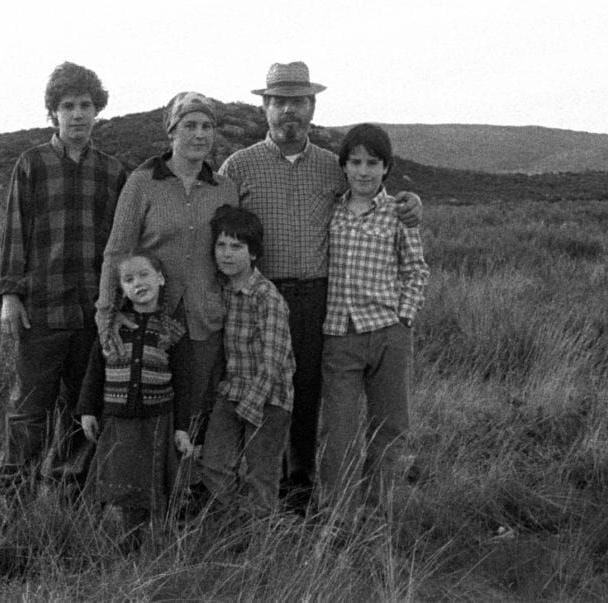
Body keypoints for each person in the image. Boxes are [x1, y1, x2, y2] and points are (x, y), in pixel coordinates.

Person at [218, 61, 422, 513]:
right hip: (260, 299)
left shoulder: (333, 166)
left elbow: (375, 197)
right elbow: (223, 232)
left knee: (308, 392)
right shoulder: (239, 166)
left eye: (300, 101)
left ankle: (302, 486)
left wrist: (412, 203)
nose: (290, 110)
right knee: (259, 388)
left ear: (312, 107)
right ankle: (250, 487)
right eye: (281, 101)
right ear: (266, 107)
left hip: (318, 298)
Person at [0, 62, 128, 489]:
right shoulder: (32, 164)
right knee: (30, 408)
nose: (77, 114)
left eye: (86, 105)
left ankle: (69, 493)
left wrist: (116, 305)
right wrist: (10, 295)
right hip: (42, 309)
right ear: (53, 112)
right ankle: (14, 494)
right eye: (67, 106)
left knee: (81, 409)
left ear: (98, 110)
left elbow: (120, 244)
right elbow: (16, 230)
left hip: (92, 311)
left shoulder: (112, 171)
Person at [95, 92, 238, 475]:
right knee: (154, 409)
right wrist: (106, 315)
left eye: (207, 126)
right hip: (150, 320)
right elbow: (117, 252)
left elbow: (231, 251)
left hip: (204, 318)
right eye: (189, 125)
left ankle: (189, 494)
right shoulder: (143, 183)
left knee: (197, 408)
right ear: (171, 132)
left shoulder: (224, 188)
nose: (199, 134)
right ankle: (149, 493)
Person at [314, 123, 429, 512]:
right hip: (339, 336)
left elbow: (416, 270)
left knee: (389, 427)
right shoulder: (330, 210)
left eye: (372, 163)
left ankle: (376, 510)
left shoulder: (398, 213)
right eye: (355, 162)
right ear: (343, 166)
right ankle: (337, 515)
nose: (363, 171)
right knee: (339, 430)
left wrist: (404, 320)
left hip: (387, 335)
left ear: (385, 168)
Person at [78, 250, 193, 546]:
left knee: (151, 483)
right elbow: (94, 371)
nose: (138, 283)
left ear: (160, 278)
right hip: (116, 419)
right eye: (128, 279)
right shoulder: (112, 327)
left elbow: (185, 382)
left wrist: (182, 428)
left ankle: (154, 541)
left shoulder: (173, 330)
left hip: (157, 422)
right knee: (117, 482)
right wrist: (88, 411)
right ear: (122, 288)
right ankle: (116, 541)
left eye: (144, 275)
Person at [200, 205, 295, 516]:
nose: (227, 254)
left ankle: (261, 541)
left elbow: (274, 360)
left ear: (254, 253)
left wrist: (252, 404)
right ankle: (229, 527)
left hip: (268, 398)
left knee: (261, 474)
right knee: (215, 464)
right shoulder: (221, 291)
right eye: (221, 245)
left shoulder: (267, 297)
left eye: (237, 247)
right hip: (232, 390)